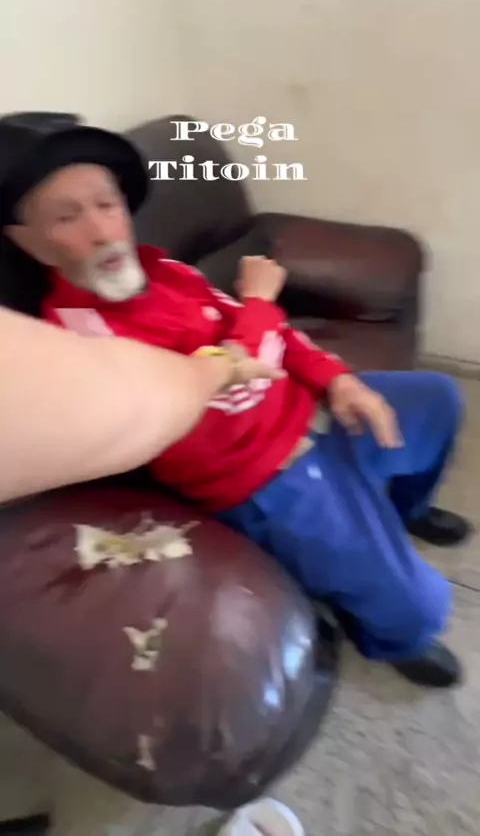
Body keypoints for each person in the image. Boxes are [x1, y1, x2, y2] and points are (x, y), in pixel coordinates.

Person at [0, 116, 472, 689]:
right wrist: (260, 304)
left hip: (309, 413)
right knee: (420, 609)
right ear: (29, 241)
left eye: (107, 204)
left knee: (435, 399)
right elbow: (218, 394)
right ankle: (392, 637)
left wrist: (336, 381)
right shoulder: (79, 336)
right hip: (266, 478)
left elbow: (272, 338)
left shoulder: (164, 268)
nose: (102, 231)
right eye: (67, 217)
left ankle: (404, 507)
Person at [0, 306, 282, 504]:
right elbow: (147, 407)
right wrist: (227, 362)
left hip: (295, 424)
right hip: (260, 470)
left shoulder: (170, 272)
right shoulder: (78, 324)